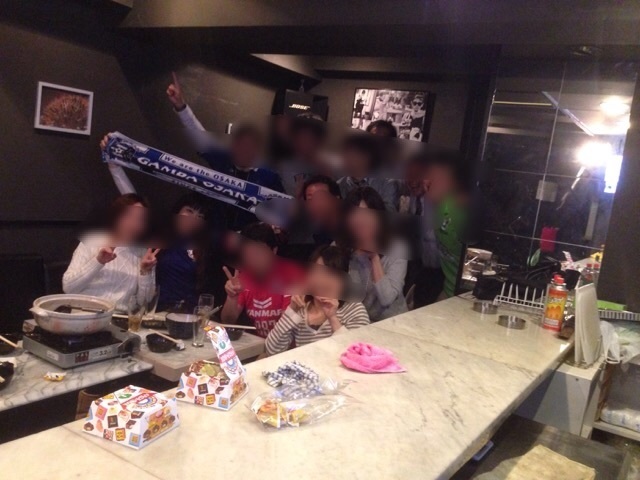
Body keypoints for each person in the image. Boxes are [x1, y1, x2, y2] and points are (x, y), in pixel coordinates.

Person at [100, 135, 225, 310]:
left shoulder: (207, 246)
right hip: (159, 314)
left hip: (194, 317)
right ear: (178, 212)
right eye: (189, 211)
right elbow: (133, 201)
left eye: (200, 216)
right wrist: (114, 163)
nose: (193, 219)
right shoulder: (161, 232)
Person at [166, 73, 285, 230]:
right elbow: (199, 136)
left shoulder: (268, 176)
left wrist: (272, 226)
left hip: (247, 237)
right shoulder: (223, 160)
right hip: (213, 233)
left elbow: (282, 209)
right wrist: (181, 107)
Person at [265, 245, 369, 356]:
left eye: (330, 275)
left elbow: (357, 355)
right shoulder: (301, 308)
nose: (321, 281)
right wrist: (291, 310)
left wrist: (333, 318)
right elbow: (272, 350)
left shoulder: (355, 309)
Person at [63, 194, 158, 311]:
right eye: (129, 216)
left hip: (121, 318)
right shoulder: (92, 242)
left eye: (141, 219)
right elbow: (69, 288)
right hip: (85, 315)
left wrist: (145, 271)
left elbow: (144, 303)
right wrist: (98, 261)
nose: (134, 224)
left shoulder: (144, 254)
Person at [221, 222, 305, 338]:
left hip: (288, 344)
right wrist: (232, 297)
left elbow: (287, 329)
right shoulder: (243, 277)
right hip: (260, 343)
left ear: (274, 251)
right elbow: (228, 321)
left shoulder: (292, 275)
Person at [338, 187, 408, 321]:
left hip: (393, 321)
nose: (361, 221)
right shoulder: (340, 247)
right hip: (356, 321)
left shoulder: (397, 247)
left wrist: (374, 257)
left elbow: (387, 299)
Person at [422, 150, 471, 299]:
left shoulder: (459, 211)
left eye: (436, 177)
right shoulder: (433, 205)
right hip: (448, 288)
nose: (427, 181)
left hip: (467, 294)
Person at [398, 154, 443, 307]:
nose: (412, 181)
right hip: (421, 267)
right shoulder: (409, 198)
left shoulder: (439, 200)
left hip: (441, 270)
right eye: (409, 176)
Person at [337, 134, 398, 211]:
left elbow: (389, 212)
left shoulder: (386, 184)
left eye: (353, 155)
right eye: (345, 156)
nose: (347, 160)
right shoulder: (339, 185)